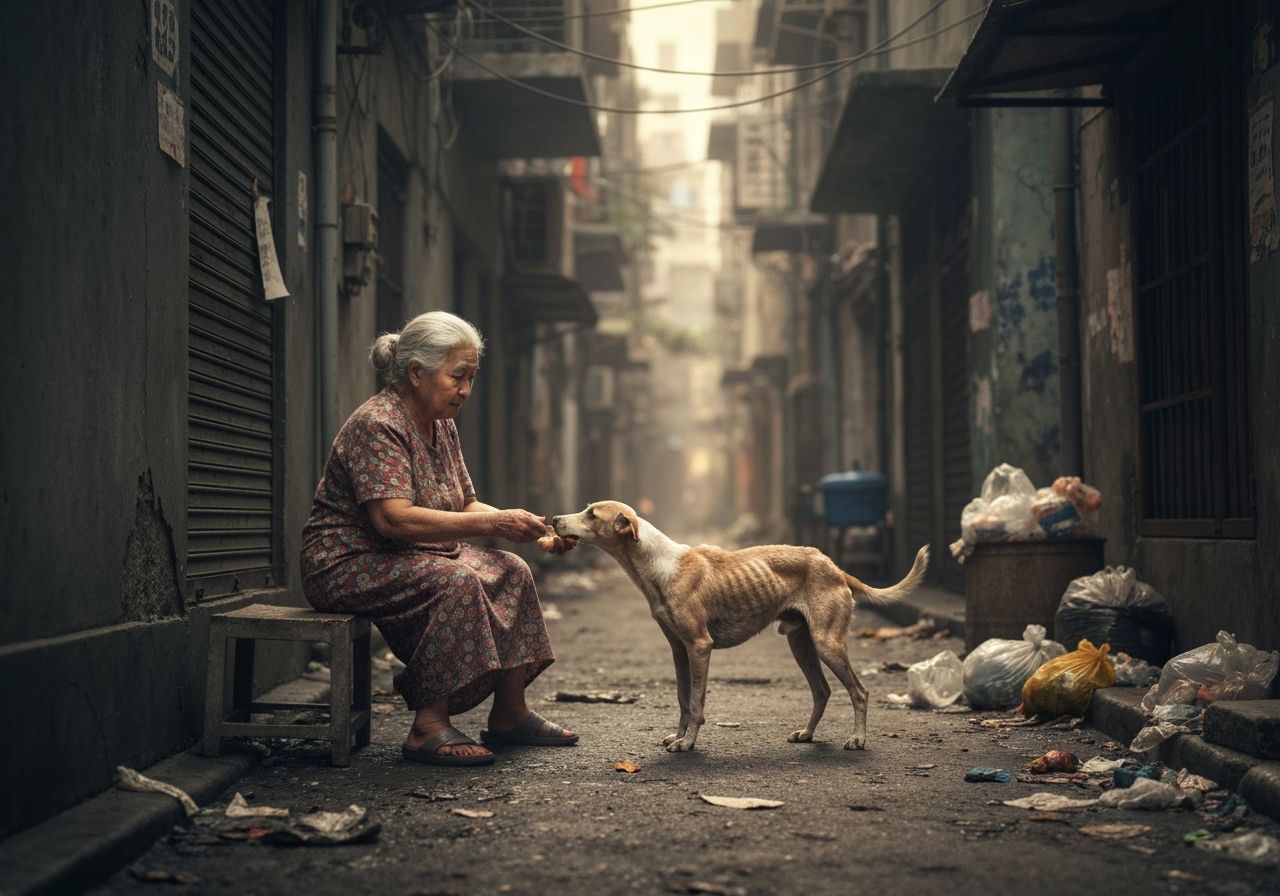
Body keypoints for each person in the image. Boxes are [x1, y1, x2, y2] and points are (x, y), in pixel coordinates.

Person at [300, 310, 577, 766]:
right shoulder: (378, 423)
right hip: (345, 560)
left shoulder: (442, 423)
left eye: (471, 378)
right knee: (456, 582)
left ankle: (509, 713)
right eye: (457, 377)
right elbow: (393, 520)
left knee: (512, 570)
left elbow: (466, 503)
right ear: (415, 373)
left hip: (406, 553)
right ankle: (428, 725)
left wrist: (527, 524)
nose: (465, 390)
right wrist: (494, 524)